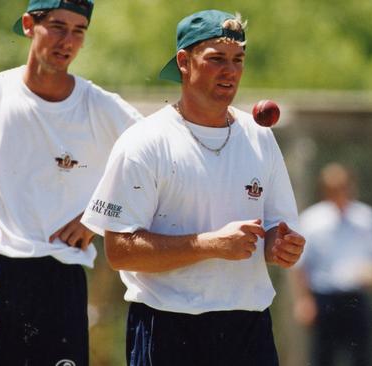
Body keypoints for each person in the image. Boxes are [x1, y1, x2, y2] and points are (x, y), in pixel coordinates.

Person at [80, 9, 305, 366]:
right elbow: (120, 251)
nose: (230, 71)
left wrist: (280, 246)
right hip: (168, 327)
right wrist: (209, 245)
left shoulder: (260, 137)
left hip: (248, 327)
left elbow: (274, 232)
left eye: (238, 59)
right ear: (184, 61)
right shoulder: (145, 142)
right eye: (216, 59)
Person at [0, 0, 142, 365]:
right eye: (57, 26)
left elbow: (159, 165)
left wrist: (98, 216)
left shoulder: (102, 107)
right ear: (28, 24)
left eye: (78, 31)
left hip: (62, 276)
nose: (67, 40)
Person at [292, 162, 372, 366]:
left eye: (343, 186)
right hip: (325, 299)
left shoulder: (366, 218)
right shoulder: (311, 220)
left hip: (356, 297)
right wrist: (304, 300)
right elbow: (301, 265)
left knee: (362, 358)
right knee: (323, 358)